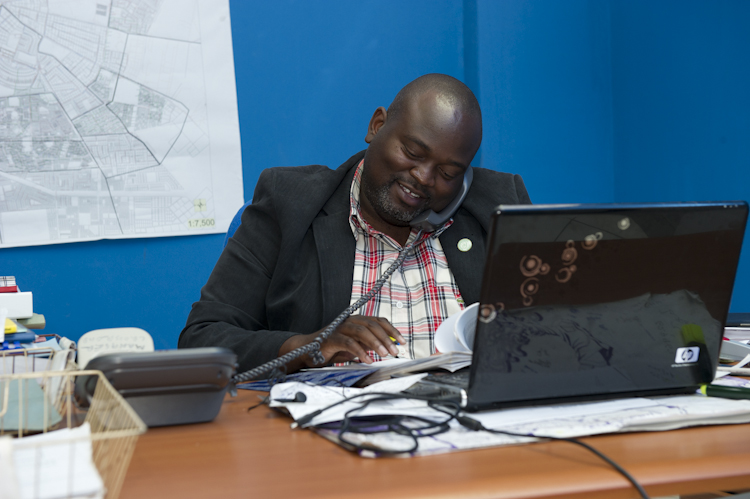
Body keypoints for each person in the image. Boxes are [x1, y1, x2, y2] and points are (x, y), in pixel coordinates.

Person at [179, 74, 531, 373]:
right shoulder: (290, 204)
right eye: (412, 152)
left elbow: (561, 330)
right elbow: (203, 337)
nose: (424, 178)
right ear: (377, 126)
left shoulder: (497, 207)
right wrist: (308, 347)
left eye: (448, 172)